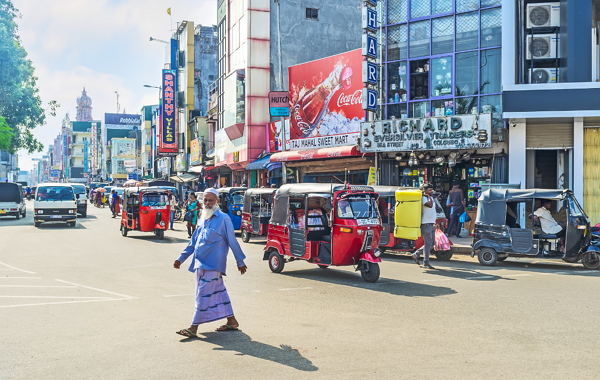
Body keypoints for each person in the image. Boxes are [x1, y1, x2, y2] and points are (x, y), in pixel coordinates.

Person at [173, 188, 247, 338]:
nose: (207, 203)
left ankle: (193, 327)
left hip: (214, 265)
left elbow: (232, 241)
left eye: (211, 200)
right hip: (200, 264)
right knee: (219, 292)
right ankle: (232, 321)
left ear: (218, 201)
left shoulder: (224, 219)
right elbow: (194, 241)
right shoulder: (203, 217)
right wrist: (181, 258)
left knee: (202, 294)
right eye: (205, 200)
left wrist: (240, 261)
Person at [412, 184, 437, 269]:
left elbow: (432, 210)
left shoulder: (431, 198)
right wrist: (427, 196)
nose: (431, 191)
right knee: (428, 243)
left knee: (432, 243)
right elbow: (429, 205)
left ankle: (416, 254)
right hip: (426, 224)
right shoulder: (424, 198)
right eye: (429, 190)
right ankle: (426, 262)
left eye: (432, 190)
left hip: (431, 223)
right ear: (425, 190)